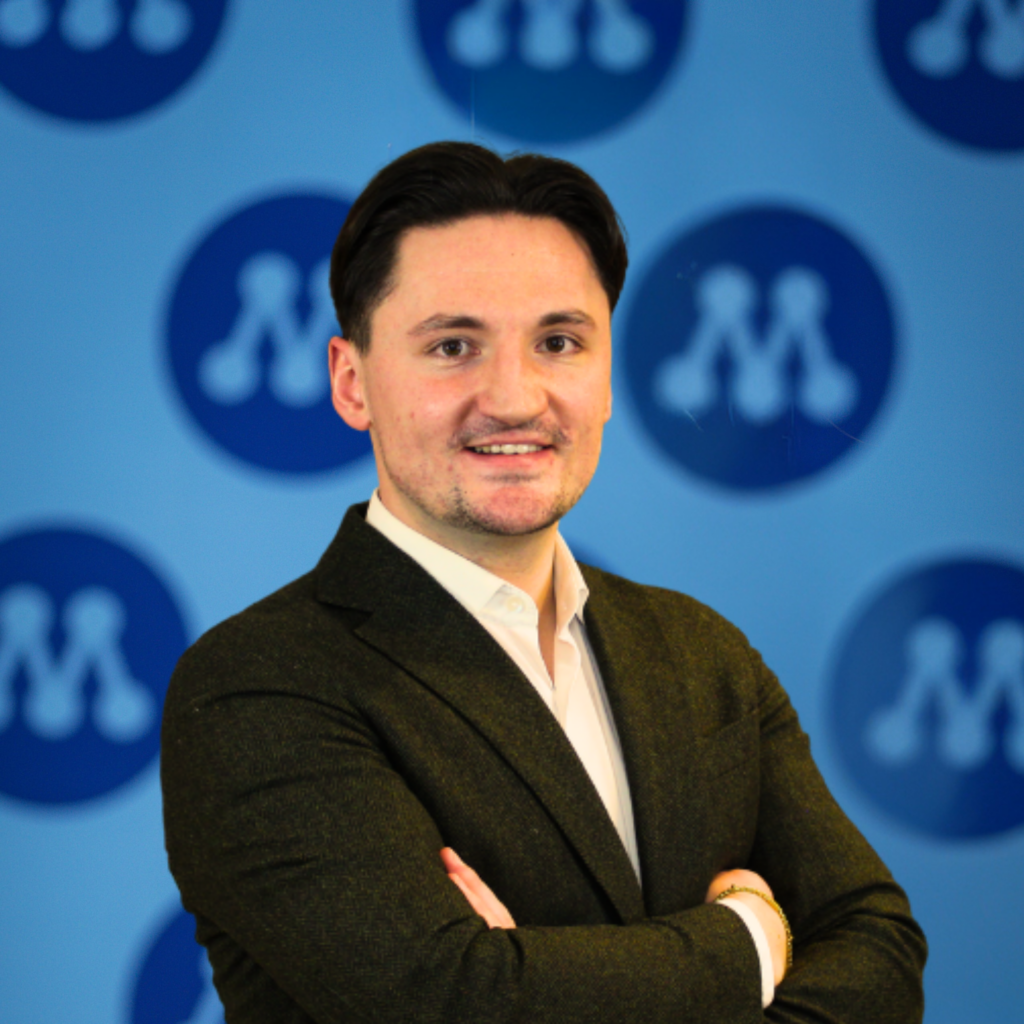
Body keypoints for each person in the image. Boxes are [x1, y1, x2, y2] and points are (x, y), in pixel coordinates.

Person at [161, 142, 927, 1024]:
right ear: (351, 381)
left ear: (607, 376)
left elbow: (878, 950)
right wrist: (752, 936)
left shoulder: (703, 654)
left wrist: (534, 978)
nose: (516, 398)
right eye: (453, 346)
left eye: (559, 342)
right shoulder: (257, 687)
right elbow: (455, 1001)